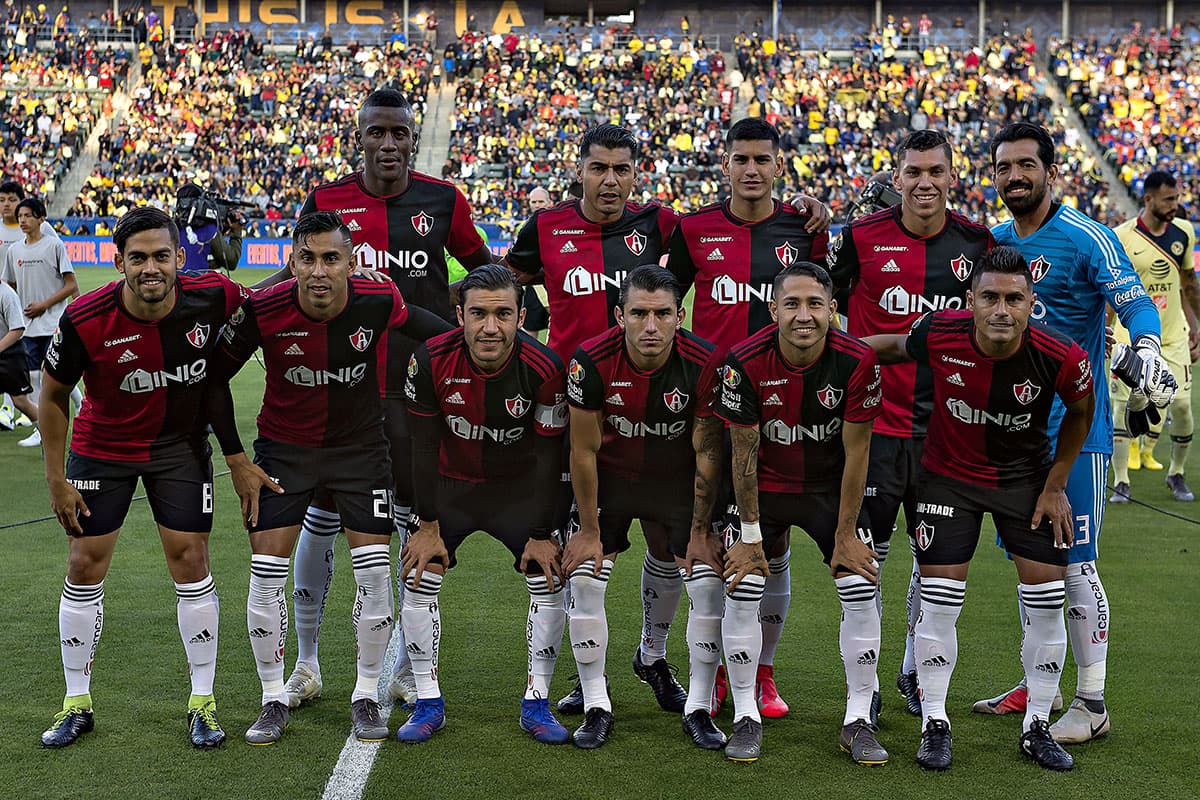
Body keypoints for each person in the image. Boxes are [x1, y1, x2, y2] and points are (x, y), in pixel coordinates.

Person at [508, 124, 829, 716]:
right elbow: (509, 282)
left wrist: (816, 210)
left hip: (693, 408)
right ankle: (573, 677)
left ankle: (676, 659)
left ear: (636, 173)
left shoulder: (662, 224)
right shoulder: (553, 227)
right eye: (598, 167)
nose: (610, 180)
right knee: (579, 545)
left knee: (690, 540)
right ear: (579, 169)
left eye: (621, 169)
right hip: (584, 408)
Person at [273, 88, 494, 712]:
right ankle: (307, 663)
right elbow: (297, 276)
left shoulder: (443, 201)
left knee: (412, 520)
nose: (390, 144)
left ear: (412, 136)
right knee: (319, 522)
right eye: (378, 132)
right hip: (342, 391)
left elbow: (481, 271)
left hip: (422, 394)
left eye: (400, 132)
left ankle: (404, 663)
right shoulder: (327, 202)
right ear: (360, 136)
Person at [206, 212, 452, 746]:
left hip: (361, 451)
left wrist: (481, 339)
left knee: (372, 575)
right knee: (266, 572)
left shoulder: (378, 299)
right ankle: (273, 698)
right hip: (282, 452)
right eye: (308, 258)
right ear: (291, 261)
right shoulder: (263, 308)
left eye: (331, 258)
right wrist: (235, 459)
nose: (319, 271)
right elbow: (210, 379)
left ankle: (365, 694)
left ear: (351, 262)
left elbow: (431, 331)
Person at [975, 122, 1174, 744]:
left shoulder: (1085, 236)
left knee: (1076, 567)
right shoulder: (998, 243)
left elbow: (1137, 301)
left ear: (1050, 171)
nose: (1015, 177)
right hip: (1012, 437)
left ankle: (1092, 702)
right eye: (1004, 166)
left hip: (1076, 435)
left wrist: (1143, 347)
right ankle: (1042, 685)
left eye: (1026, 166)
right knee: (1031, 569)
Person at [863, 246, 1095, 771]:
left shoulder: (1061, 356)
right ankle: (935, 722)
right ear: (971, 300)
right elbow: (893, 346)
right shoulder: (941, 333)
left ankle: (1037, 726)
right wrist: (837, 350)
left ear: (1031, 303)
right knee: (940, 601)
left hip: (1025, 484)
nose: (1000, 309)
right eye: (989, 296)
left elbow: (1081, 412)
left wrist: (1056, 485)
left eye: (1014, 298)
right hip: (948, 481)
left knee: (1046, 600)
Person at [37, 207, 248, 749]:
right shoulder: (85, 317)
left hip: (178, 450)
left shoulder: (215, 295)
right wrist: (56, 478)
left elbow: (269, 301)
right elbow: (54, 395)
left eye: (160, 256)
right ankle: (76, 703)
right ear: (118, 262)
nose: (150, 267)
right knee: (84, 564)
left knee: (191, 561)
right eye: (138, 258)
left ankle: (203, 702)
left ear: (180, 258)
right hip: (101, 450)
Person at [826, 130, 994, 718]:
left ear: (953, 176)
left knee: (937, 568)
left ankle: (915, 673)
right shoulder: (858, 238)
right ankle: (863, 690)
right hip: (872, 430)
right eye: (914, 172)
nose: (925, 182)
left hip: (946, 434)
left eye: (936, 171)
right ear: (896, 178)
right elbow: (825, 310)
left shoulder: (977, 242)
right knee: (863, 564)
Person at [666, 116, 829, 718]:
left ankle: (761, 673)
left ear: (779, 165)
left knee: (773, 545)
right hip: (710, 412)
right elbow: (662, 301)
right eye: (742, 159)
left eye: (763, 159)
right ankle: (704, 677)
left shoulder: (804, 230)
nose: (752, 169)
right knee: (705, 542)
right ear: (725, 164)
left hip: (783, 413)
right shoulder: (695, 229)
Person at [715, 262, 885, 764]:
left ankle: (858, 719)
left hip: (828, 491)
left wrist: (848, 532)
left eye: (815, 304)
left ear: (833, 309)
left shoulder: (857, 361)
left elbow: (858, 453)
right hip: (763, 489)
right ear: (773, 309)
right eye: (792, 304)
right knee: (743, 584)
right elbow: (742, 454)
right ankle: (746, 713)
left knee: (859, 584)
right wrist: (749, 535)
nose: (804, 315)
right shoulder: (743, 360)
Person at [397, 265, 569, 745]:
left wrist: (540, 531)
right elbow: (423, 448)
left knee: (549, 580)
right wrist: (427, 524)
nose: (490, 327)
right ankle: (428, 701)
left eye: (503, 314)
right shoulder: (429, 359)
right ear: (459, 315)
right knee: (417, 574)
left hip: (517, 491)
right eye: (478, 314)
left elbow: (548, 456)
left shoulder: (545, 367)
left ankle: (537, 702)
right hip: (451, 488)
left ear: (520, 316)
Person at [562, 265, 721, 749]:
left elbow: (707, 452)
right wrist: (589, 530)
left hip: (674, 483)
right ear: (620, 315)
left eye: (662, 314)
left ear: (680, 316)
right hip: (609, 478)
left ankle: (691, 699)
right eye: (639, 314)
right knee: (586, 574)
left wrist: (698, 530)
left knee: (706, 579)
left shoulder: (705, 362)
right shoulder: (590, 360)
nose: (650, 326)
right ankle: (595, 702)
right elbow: (584, 451)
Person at [1108, 171, 1198, 502]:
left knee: (1182, 405)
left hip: (1174, 337)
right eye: (1169, 199)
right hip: (1130, 337)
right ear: (1148, 200)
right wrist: (1104, 333)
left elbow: (1187, 284)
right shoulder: (1122, 237)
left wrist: (1196, 325)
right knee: (1121, 408)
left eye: (1176, 198)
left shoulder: (1183, 233)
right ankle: (1121, 481)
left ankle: (1176, 473)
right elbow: (1111, 292)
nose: (1176, 205)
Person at [2, 195, 80, 448]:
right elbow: (10, 285)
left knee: (57, 372)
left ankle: (79, 406)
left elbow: (71, 285)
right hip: (28, 324)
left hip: (54, 320)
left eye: (27, 216)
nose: (22, 220)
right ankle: (43, 428)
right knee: (34, 376)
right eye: (20, 216)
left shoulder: (54, 246)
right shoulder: (14, 251)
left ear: (41, 219)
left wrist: (45, 305)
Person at [174, 183, 244, 273]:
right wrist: (237, 231)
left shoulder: (173, 230)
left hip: (180, 284)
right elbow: (231, 261)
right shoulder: (210, 230)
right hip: (205, 285)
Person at [0, 279, 38, 435]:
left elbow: (18, 329)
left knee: (20, 401)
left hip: (11, 353)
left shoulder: (6, 294)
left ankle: (46, 433)